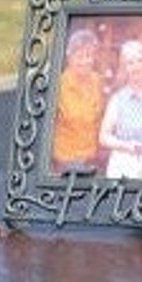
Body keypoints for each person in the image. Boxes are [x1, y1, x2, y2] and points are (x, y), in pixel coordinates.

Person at [99, 39, 142, 178]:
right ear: (124, 68)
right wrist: (127, 146)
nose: (136, 67)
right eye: (130, 63)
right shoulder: (118, 99)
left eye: (140, 61)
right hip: (123, 165)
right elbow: (103, 137)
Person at [50, 26, 105, 172]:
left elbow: (99, 117)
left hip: (93, 157)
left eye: (89, 56)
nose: (85, 61)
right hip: (66, 159)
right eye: (79, 56)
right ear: (69, 56)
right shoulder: (59, 85)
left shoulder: (97, 80)